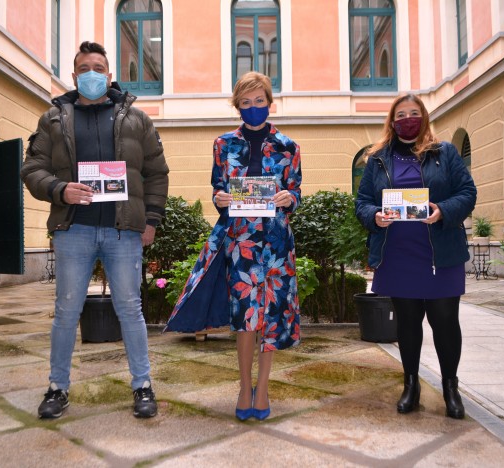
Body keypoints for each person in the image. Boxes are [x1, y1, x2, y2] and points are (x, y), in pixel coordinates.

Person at [21, 41, 169, 419]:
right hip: (75, 231)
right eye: (84, 68)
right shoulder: (53, 118)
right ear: (74, 76)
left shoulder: (137, 119)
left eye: (98, 68)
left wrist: (150, 220)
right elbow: (32, 168)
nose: (91, 74)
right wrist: (60, 189)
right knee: (66, 312)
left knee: (130, 310)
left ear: (109, 74)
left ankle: (143, 385)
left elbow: (156, 173)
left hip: (124, 233)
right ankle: (57, 388)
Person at [164, 71, 301, 421]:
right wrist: (221, 197)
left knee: (270, 316)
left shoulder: (289, 147)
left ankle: (264, 387)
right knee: (245, 318)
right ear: (237, 105)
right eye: (246, 102)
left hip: (276, 243)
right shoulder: (223, 144)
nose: (253, 107)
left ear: (270, 103)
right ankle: (244, 387)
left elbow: (296, 192)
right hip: (239, 242)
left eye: (259, 101)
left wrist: (288, 198)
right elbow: (217, 189)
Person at [355, 93, 476, 419]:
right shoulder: (378, 158)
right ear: (392, 122)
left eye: (413, 112)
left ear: (423, 117)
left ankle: (451, 387)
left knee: (445, 322)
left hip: (440, 255)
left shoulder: (446, 153)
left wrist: (443, 210)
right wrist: (374, 216)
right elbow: (363, 202)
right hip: (398, 255)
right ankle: (411, 385)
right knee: (407, 324)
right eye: (401, 114)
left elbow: (467, 193)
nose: (407, 118)